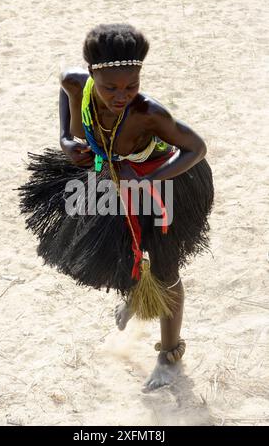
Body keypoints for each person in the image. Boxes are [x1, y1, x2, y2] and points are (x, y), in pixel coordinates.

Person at [18, 23, 214, 392]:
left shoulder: (148, 113)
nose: (121, 95)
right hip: (115, 177)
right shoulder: (76, 82)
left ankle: (169, 355)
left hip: (166, 183)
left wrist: (148, 181)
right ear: (92, 75)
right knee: (124, 249)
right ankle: (136, 296)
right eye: (110, 88)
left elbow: (197, 149)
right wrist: (64, 138)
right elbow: (64, 89)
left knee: (166, 270)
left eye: (131, 85)